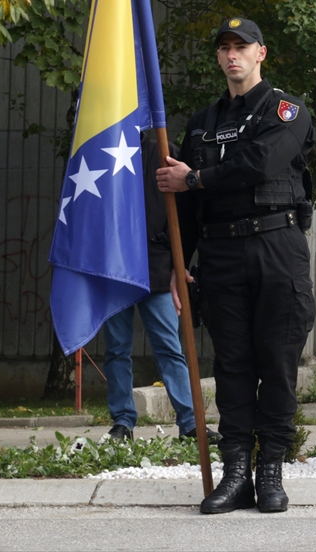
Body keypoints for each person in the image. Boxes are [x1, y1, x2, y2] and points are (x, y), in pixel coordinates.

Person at [157, 17, 316, 515]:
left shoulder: (287, 110)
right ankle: (235, 475)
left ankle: (270, 473)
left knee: (278, 364)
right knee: (231, 368)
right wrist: (177, 262)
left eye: (241, 47)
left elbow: (260, 163)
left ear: (260, 53)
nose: (232, 55)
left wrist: (195, 178)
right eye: (224, 47)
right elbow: (184, 205)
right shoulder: (201, 123)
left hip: (276, 246)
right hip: (221, 254)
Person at [103, 132, 219, 444]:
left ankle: (190, 424)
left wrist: (176, 261)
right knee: (116, 349)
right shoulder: (100, 150)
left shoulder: (164, 152)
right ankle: (122, 423)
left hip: (157, 265)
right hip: (114, 266)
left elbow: (185, 210)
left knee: (170, 348)